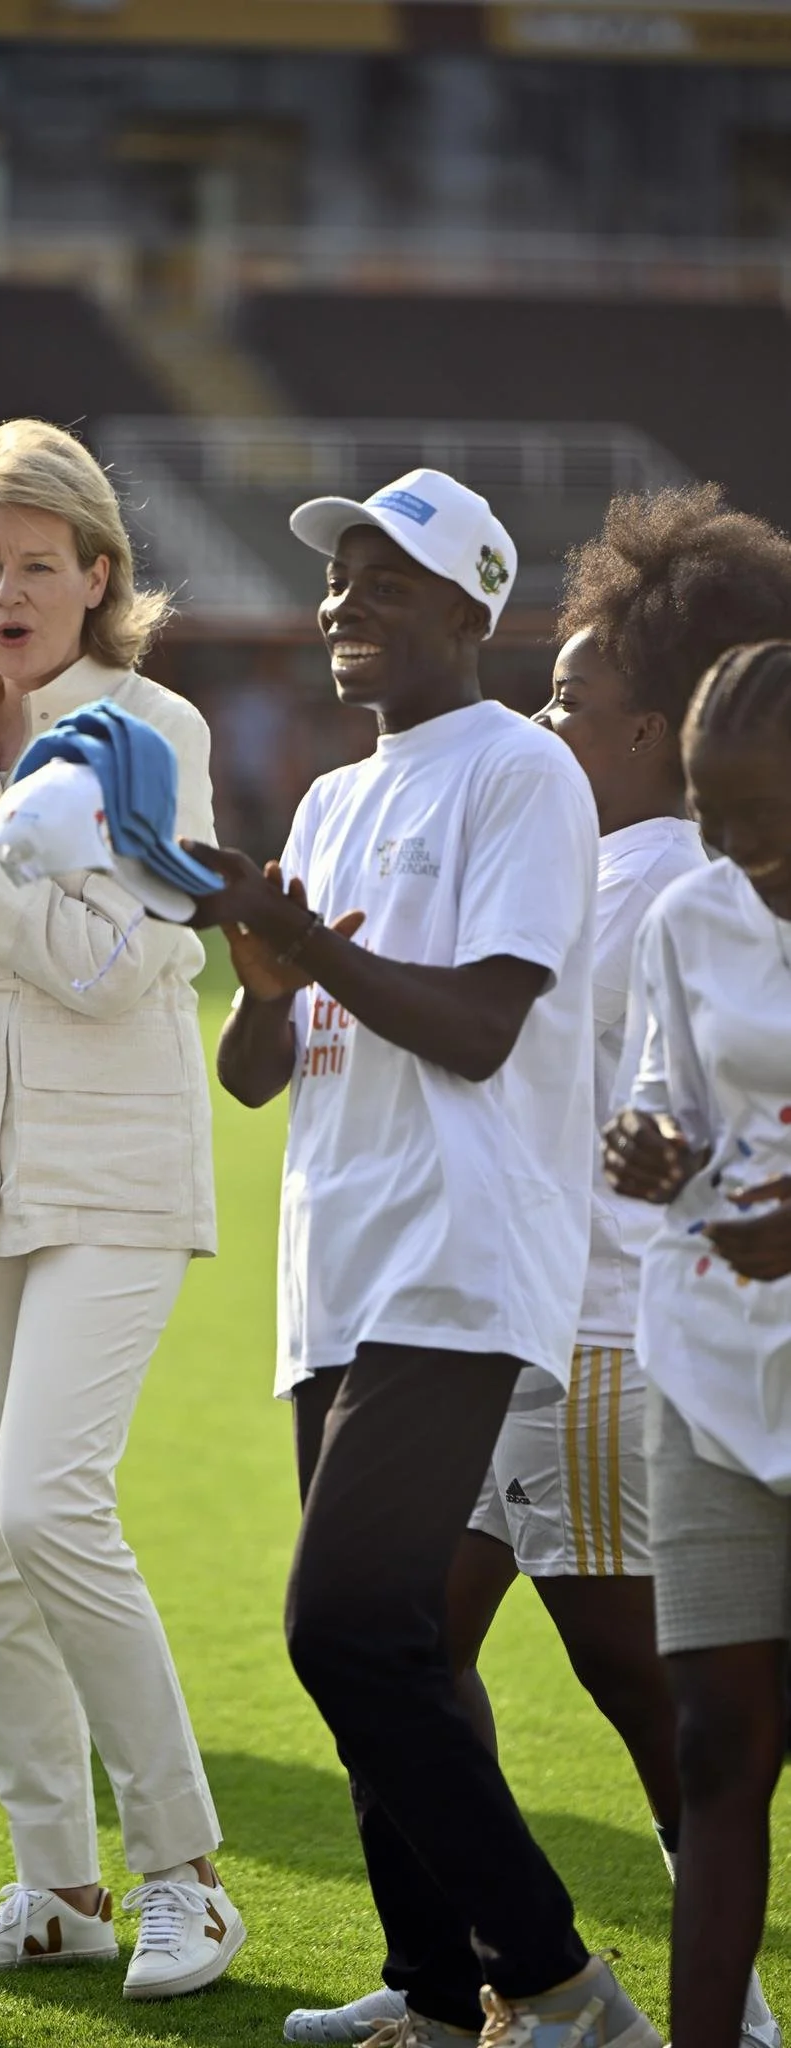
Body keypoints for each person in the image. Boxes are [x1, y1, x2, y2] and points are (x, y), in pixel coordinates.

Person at [315, 483, 791, 2048]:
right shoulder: (596, 862)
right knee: (400, 1650)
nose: (542, 714)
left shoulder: (663, 879)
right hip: (508, 1332)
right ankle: (452, 1982)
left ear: (651, 731)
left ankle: (700, 1992)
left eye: (570, 697)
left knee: (643, 1695)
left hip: (587, 1338)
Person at [194, 468, 658, 2048]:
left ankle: (553, 1984)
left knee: (343, 1630)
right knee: (387, 1650)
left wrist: (315, 946)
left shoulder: (521, 773)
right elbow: (259, 1074)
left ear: (470, 608)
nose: (343, 604)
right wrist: (266, 983)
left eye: (385, 582)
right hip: (340, 1264)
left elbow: (478, 1025)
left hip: (461, 1257)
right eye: (336, 580)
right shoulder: (332, 798)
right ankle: (431, 1993)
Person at [0, 418, 245, 2000]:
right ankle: (55, 1884)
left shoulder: (152, 730)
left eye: (34, 564)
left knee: (46, 1507)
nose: (4, 592)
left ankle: (184, 1875)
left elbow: (97, 966)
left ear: (97, 573)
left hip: (110, 1176)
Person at [603, 639, 791, 2048]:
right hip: (714, 1366)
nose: (730, 850)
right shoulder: (690, 910)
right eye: (707, 814)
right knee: (715, 1744)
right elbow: (663, 1090)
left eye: (760, 818)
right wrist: (651, 1143)